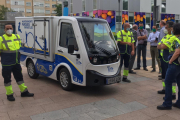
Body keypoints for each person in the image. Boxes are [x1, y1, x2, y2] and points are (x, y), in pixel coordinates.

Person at [0, 23, 34, 101]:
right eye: (7, 28)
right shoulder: (1, 38)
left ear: (13, 29)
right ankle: (9, 94)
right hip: (6, 63)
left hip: (16, 62)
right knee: (7, 79)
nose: (9, 30)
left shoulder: (16, 36)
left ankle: (24, 92)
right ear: (4, 30)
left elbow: (18, 48)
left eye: (10, 28)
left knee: (19, 77)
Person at [157, 23, 180, 110]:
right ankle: (179, 103)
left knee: (168, 82)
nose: (172, 30)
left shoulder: (176, 39)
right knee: (179, 83)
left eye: (173, 29)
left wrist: (170, 61)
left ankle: (167, 103)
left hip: (175, 64)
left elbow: (177, 52)